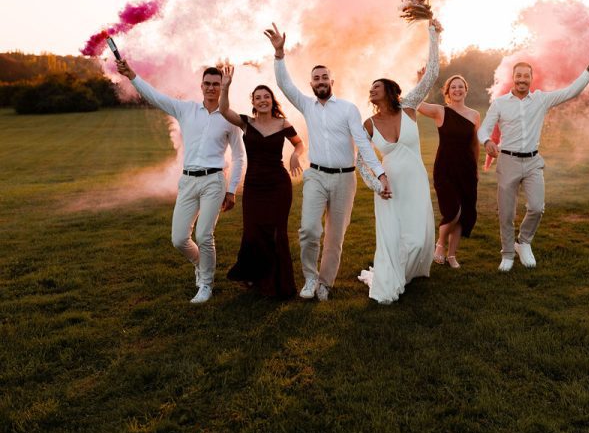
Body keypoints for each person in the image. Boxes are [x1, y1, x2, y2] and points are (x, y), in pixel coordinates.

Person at [264, 23, 392, 302]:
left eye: (325, 77)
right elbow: (285, 85)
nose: (320, 81)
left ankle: (325, 282)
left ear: (332, 82)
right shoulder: (307, 105)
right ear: (311, 84)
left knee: (335, 237)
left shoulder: (347, 109)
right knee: (309, 229)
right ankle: (310, 278)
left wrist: (380, 174)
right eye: (316, 78)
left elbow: (362, 144)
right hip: (316, 176)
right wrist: (279, 54)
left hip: (345, 179)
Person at [116, 60, 245, 304]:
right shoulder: (185, 109)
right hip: (188, 180)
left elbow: (239, 156)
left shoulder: (229, 118)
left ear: (222, 87)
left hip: (215, 181)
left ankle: (206, 284)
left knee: (205, 235)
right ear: (201, 86)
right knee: (178, 239)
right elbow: (154, 96)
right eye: (207, 84)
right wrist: (132, 75)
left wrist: (232, 190)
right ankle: (201, 263)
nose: (211, 88)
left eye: (216, 84)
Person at [477, 48, 589, 272]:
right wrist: (487, 141)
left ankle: (523, 242)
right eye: (519, 76)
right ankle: (507, 254)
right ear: (513, 78)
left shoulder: (541, 100)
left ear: (531, 78)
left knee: (536, 207)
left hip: (533, 162)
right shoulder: (500, 104)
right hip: (508, 161)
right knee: (506, 213)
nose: (522, 79)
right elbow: (484, 129)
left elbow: (571, 91)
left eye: (526, 76)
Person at [356, 18, 442, 304]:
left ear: (390, 91)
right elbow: (361, 160)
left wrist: (433, 35)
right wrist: (377, 184)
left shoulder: (408, 109)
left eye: (376, 86)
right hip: (389, 185)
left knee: (417, 239)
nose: (372, 90)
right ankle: (391, 275)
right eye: (370, 88)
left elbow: (430, 75)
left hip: (414, 180)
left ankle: (406, 272)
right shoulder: (368, 123)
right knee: (392, 238)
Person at [217, 64, 304, 298]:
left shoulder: (283, 123)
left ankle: (279, 282)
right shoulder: (246, 123)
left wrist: (295, 155)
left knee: (277, 232)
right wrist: (225, 87)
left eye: (266, 96)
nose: (263, 100)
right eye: (258, 98)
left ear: (272, 100)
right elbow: (224, 110)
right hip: (254, 186)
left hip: (278, 185)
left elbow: (299, 143)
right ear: (253, 103)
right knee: (253, 232)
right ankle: (255, 276)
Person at [417, 74, 480, 269]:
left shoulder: (474, 115)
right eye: (453, 87)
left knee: (463, 214)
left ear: (466, 90)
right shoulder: (440, 111)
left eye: (461, 87)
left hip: (467, 169)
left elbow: (474, 143)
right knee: (453, 210)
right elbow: (418, 104)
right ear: (447, 92)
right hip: (445, 168)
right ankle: (440, 245)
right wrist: (422, 82)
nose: (457, 90)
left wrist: (476, 168)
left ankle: (452, 255)